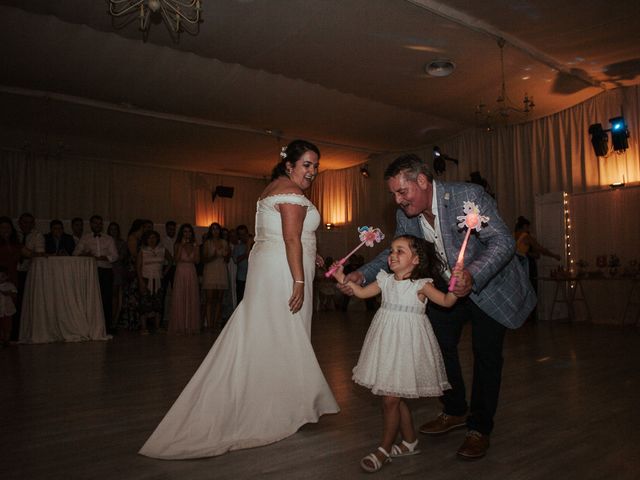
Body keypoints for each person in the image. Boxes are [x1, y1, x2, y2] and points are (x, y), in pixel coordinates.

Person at [139, 139, 339, 459]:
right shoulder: (291, 192)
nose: (312, 171)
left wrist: (310, 257)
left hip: (275, 267)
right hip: (286, 273)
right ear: (289, 165)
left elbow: (284, 235)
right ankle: (282, 406)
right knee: (285, 336)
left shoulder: (272, 188)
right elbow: (289, 237)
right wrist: (299, 279)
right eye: (307, 164)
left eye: (316, 166)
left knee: (271, 334)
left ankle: (281, 399)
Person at [338, 154, 536, 460]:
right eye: (393, 194)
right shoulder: (407, 215)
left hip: (488, 285)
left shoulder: (467, 195)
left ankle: (479, 428)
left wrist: (473, 274)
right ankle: (455, 409)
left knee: (486, 356)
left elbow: (502, 242)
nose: (398, 200)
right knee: (439, 346)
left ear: (422, 181)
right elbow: (396, 250)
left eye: (402, 192)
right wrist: (362, 274)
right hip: (444, 286)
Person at [332, 235, 460, 472]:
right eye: (391, 251)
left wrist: (456, 287)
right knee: (395, 395)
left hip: (408, 346)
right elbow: (360, 293)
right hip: (386, 344)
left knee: (390, 399)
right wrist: (341, 276)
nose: (392, 255)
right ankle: (410, 442)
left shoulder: (422, 285)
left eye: (400, 251)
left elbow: (446, 301)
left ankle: (383, 449)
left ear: (416, 259)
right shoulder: (385, 281)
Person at [73, 215, 118, 334]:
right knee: (91, 298)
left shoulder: (108, 239)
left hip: (106, 271)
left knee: (106, 299)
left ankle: (106, 327)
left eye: (99, 223)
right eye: (95, 223)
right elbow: (76, 253)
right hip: (91, 271)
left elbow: (114, 256)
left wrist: (103, 257)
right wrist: (87, 255)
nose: (97, 225)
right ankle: (91, 326)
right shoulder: (85, 238)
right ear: (91, 224)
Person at [15, 213, 45, 341]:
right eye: (24, 222)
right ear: (19, 223)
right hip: (12, 270)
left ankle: (20, 331)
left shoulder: (37, 235)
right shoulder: (14, 235)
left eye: (29, 222)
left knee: (23, 301)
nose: (26, 225)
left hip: (27, 272)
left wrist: (25, 251)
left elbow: (39, 254)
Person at [168, 223, 201, 335]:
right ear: (182, 233)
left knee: (191, 296)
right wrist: (182, 246)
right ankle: (180, 326)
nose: (187, 234)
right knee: (180, 297)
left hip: (191, 271)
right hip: (180, 271)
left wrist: (196, 249)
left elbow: (197, 261)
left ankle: (190, 326)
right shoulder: (177, 244)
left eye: (189, 231)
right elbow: (175, 260)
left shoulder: (195, 245)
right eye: (185, 231)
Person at [137, 230, 171, 334]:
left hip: (158, 279)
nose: (152, 240)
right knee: (144, 304)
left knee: (158, 303)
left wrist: (164, 272)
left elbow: (171, 261)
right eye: (150, 238)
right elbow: (138, 267)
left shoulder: (162, 250)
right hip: (146, 279)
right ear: (146, 239)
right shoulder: (143, 251)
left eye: (154, 237)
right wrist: (141, 281)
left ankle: (157, 326)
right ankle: (144, 327)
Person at [200, 222, 230, 330]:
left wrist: (225, 255)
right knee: (209, 299)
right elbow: (203, 259)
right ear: (210, 231)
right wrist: (214, 256)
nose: (215, 231)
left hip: (221, 270)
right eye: (213, 229)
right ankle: (209, 324)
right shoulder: (207, 243)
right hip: (210, 270)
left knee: (219, 299)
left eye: (217, 229)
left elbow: (227, 259)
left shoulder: (224, 242)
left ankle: (216, 322)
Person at [0, 266, 18, 346]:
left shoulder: (10, 285)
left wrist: (8, 293)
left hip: (7, 310)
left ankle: (7, 340)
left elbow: (14, 294)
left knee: (7, 326)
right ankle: (2, 339)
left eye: (2, 276)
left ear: (7, 276)